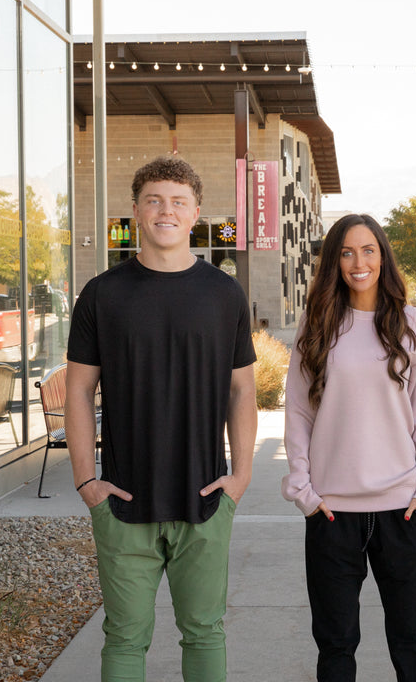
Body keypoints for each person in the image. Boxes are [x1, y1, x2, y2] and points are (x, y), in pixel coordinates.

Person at [64, 156, 258, 682]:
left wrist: (240, 478)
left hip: (206, 497)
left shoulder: (224, 294)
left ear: (195, 212)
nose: (165, 211)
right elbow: (78, 390)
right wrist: (87, 481)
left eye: (177, 201)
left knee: (204, 632)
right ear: (135, 212)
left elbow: (242, 390)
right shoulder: (103, 293)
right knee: (125, 637)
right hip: (124, 500)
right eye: (153, 200)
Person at [282, 213, 416, 682]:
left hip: (403, 511)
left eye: (368, 250)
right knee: (335, 647)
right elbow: (298, 412)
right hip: (331, 513)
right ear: (334, 262)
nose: (358, 262)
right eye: (347, 252)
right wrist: (304, 491)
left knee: (412, 641)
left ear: (383, 257)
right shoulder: (315, 324)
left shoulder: (410, 322)